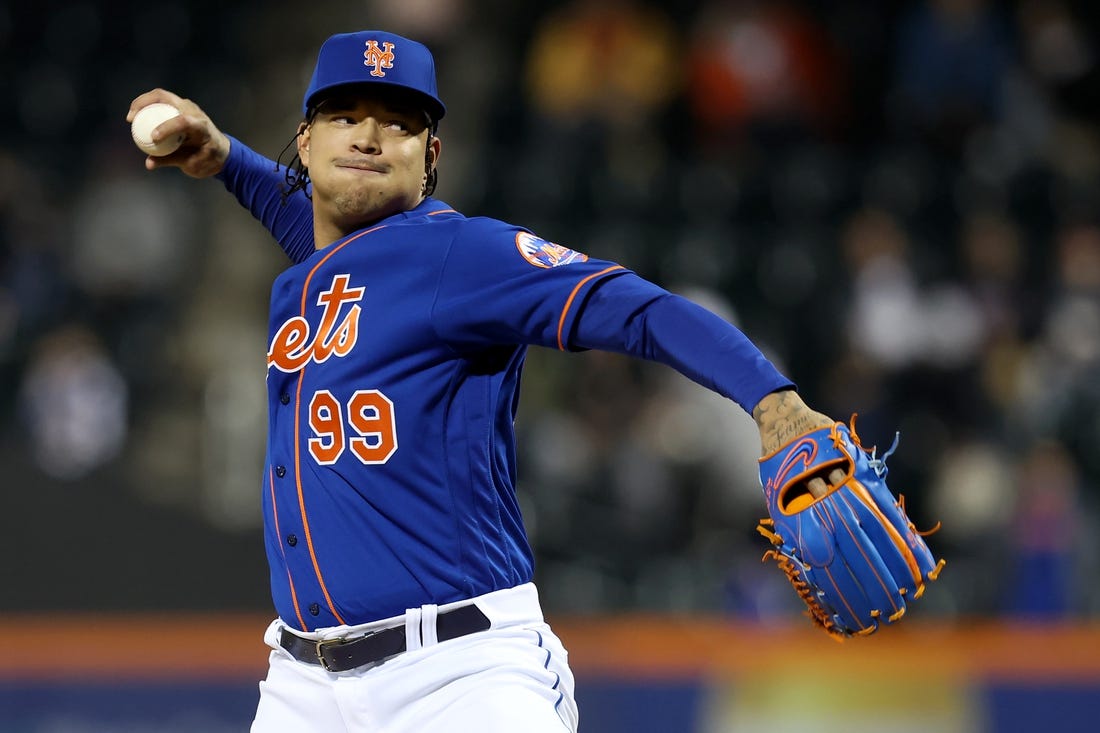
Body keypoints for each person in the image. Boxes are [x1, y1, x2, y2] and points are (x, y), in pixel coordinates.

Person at [128, 29, 842, 733]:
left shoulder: (462, 257)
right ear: (306, 142)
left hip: (458, 673)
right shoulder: (319, 266)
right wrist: (225, 159)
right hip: (301, 685)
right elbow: (313, 218)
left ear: (430, 157)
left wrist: (772, 398)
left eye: (398, 124)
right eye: (345, 117)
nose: (369, 139)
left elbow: (638, 308)